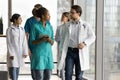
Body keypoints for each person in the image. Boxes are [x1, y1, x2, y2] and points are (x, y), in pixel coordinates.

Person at [57, 5, 95, 80]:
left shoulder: (85, 25)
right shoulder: (67, 25)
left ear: (79, 13)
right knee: (68, 74)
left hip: (80, 52)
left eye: (73, 12)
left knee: (79, 76)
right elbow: (63, 38)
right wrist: (61, 50)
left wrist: (84, 43)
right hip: (69, 52)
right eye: (70, 12)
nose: (70, 14)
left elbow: (92, 37)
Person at [29, 7, 54, 80]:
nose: (50, 16)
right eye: (48, 15)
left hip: (48, 55)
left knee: (47, 77)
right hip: (39, 55)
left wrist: (49, 39)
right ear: (43, 16)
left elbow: (52, 42)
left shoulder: (50, 27)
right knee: (39, 77)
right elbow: (32, 41)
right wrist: (41, 40)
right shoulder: (35, 26)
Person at [6, 13, 28, 80]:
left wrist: (25, 52)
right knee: (13, 69)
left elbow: (24, 42)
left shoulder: (22, 29)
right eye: (20, 19)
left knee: (17, 69)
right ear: (15, 20)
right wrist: (11, 53)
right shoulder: (10, 29)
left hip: (20, 53)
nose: (21, 20)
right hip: (13, 53)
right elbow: (9, 42)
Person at [24, 4, 42, 80]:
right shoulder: (29, 21)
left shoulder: (45, 20)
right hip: (32, 47)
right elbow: (26, 35)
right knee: (34, 65)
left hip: (42, 47)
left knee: (42, 65)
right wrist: (27, 48)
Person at [55, 12, 71, 80]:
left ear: (68, 18)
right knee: (62, 65)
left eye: (64, 16)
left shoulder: (70, 26)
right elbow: (56, 39)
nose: (62, 18)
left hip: (69, 49)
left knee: (68, 66)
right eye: (62, 16)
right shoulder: (59, 27)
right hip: (61, 48)